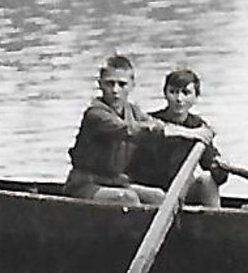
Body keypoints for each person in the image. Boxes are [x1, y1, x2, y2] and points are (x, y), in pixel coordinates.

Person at [63, 55, 212, 205]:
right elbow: (130, 130)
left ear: (132, 85)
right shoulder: (95, 114)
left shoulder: (133, 111)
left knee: (159, 197)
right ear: (100, 84)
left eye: (122, 84)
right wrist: (190, 133)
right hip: (85, 185)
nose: (115, 90)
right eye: (110, 84)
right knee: (128, 198)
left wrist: (196, 132)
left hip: (115, 182)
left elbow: (155, 124)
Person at [127, 68, 227, 207]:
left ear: (196, 97)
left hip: (180, 190)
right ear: (165, 94)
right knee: (159, 196)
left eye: (186, 93)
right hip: (151, 189)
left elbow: (211, 166)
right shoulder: (150, 121)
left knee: (207, 179)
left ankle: (216, 222)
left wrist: (218, 167)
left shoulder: (198, 126)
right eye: (173, 92)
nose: (179, 99)